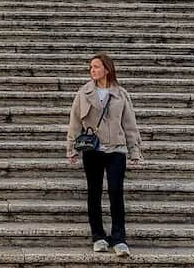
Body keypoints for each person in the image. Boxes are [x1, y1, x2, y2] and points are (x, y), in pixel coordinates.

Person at [66, 52, 144, 256]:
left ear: (107, 69)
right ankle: (98, 236)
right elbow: (74, 122)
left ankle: (119, 238)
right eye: (91, 67)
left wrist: (134, 150)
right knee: (94, 192)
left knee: (116, 192)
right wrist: (71, 148)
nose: (93, 70)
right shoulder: (84, 93)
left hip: (116, 149)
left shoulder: (120, 94)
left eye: (96, 67)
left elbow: (129, 124)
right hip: (93, 149)